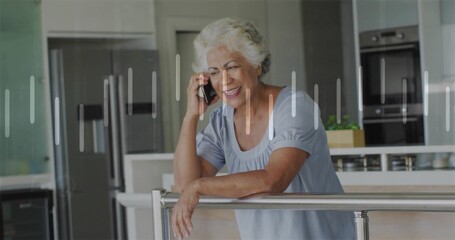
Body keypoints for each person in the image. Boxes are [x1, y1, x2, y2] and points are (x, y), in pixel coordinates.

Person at [172, 17, 356, 240]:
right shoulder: (221, 121)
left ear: (256, 65)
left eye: (232, 67)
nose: (224, 80)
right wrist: (191, 116)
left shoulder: (295, 107)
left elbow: (273, 180)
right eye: (213, 72)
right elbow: (185, 184)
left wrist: (200, 187)